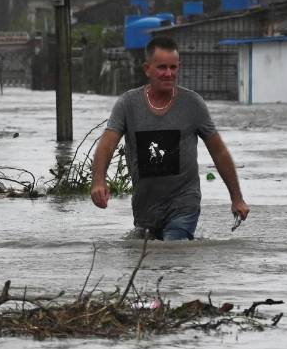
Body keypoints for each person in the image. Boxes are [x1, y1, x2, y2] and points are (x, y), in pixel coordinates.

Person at [90, 36, 250, 240]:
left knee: (173, 248)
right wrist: (98, 182)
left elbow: (218, 151)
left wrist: (237, 198)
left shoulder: (193, 104)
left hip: (184, 202)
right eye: (162, 67)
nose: (169, 73)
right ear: (147, 69)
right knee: (147, 261)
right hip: (146, 206)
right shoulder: (128, 104)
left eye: (173, 68)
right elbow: (107, 145)